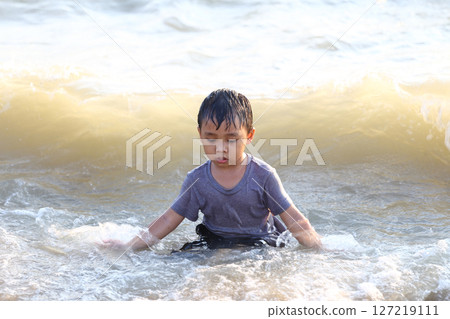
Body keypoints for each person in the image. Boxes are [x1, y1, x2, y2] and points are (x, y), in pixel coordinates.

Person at [103, 89, 321, 251]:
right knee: (176, 262)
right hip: (214, 239)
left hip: (259, 242)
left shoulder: (263, 176)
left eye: (232, 139)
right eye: (211, 138)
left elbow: (294, 219)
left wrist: (321, 249)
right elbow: (168, 220)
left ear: (250, 136)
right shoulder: (197, 180)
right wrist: (129, 246)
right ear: (200, 134)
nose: (220, 148)